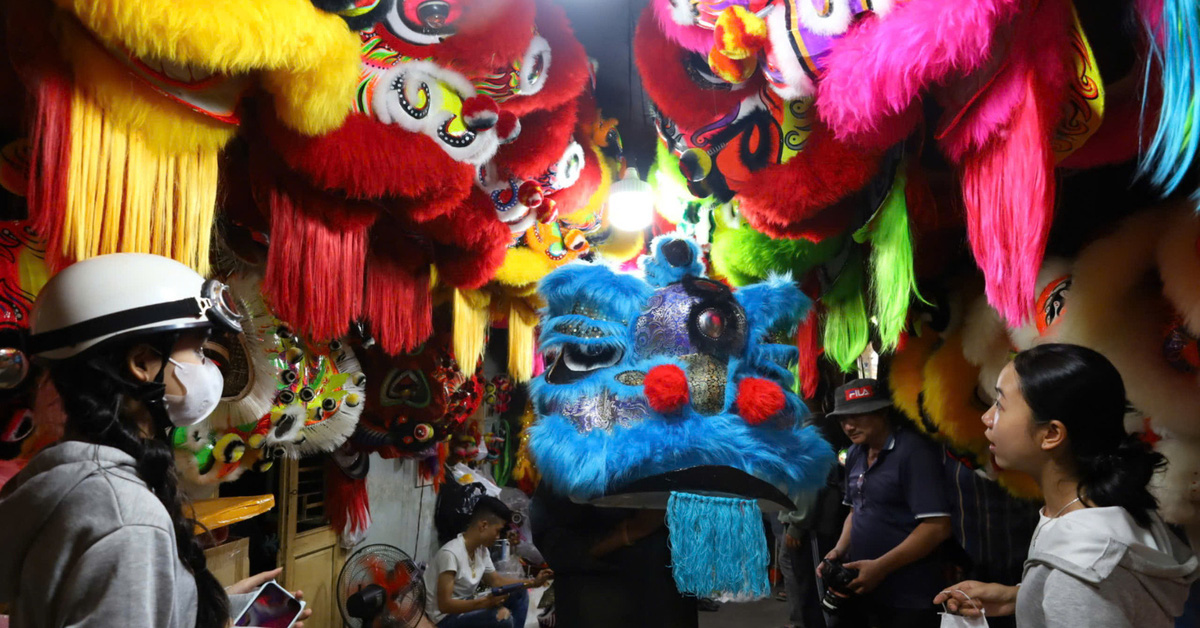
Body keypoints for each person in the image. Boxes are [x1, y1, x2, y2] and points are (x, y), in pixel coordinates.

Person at [0, 253, 312, 628]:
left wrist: (203, 607)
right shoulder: (127, 518)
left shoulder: (62, 482)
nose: (207, 369)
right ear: (142, 363)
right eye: (197, 350)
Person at [935, 343, 1199, 626]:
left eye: (1000, 404)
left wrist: (1062, 591)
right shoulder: (1098, 510)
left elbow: (1084, 592)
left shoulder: (1081, 572)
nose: (987, 418)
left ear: (1050, 434)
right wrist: (1019, 597)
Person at [818, 379, 952, 628]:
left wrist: (880, 567)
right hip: (866, 590)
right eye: (842, 419)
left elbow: (937, 526)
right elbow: (855, 509)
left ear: (882, 411)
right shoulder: (857, 452)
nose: (848, 426)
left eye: (857, 416)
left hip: (909, 595)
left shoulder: (913, 452)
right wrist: (838, 550)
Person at [530, 483, 699, 628]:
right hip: (600, 604)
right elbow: (555, 545)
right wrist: (629, 532)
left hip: (667, 602)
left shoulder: (678, 456)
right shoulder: (576, 457)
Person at [426, 495, 553, 628]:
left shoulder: (481, 551)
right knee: (503, 618)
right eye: (497, 531)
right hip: (445, 618)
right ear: (484, 525)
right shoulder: (451, 554)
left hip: (467, 605)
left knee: (519, 594)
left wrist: (533, 582)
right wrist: (484, 603)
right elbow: (445, 605)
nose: (498, 537)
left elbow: (496, 581)